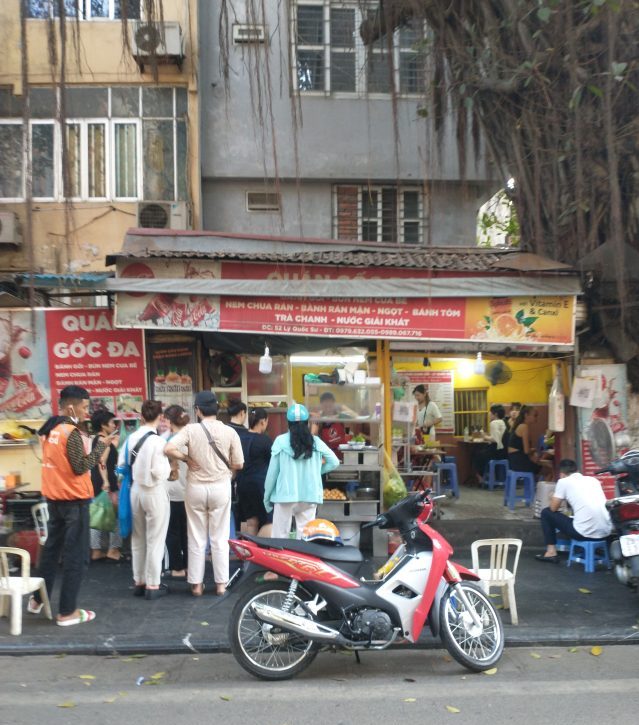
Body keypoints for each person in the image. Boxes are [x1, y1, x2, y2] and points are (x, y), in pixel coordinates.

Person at [29, 385, 115, 626]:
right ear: (71, 407)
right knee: (76, 557)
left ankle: (37, 600)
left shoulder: (50, 428)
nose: (87, 412)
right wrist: (101, 445)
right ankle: (67, 612)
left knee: (51, 553)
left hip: (54, 499)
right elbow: (80, 466)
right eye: (85, 407)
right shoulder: (70, 432)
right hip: (74, 502)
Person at [165, 391, 244, 597]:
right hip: (220, 487)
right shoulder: (229, 432)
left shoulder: (191, 430)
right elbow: (239, 463)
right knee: (219, 537)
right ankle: (220, 584)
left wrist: (185, 459)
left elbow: (168, 448)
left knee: (197, 536)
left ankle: (197, 585)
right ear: (217, 409)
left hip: (196, 489)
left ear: (198, 410)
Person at [119, 400, 171, 600]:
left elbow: (121, 464)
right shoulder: (158, 442)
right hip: (154, 492)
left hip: (135, 491)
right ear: (160, 418)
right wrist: (170, 468)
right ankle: (153, 584)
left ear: (141, 416)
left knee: (138, 538)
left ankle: (138, 581)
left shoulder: (131, 438)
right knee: (155, 539)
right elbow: (159, 471)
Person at [264, 403, 340, 539]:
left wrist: (267, 498)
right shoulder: (316, 442)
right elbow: (334, 462)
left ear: (288, 423)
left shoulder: (280, 442)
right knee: (305, 538)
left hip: (284, 496)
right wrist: (318, 471)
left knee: (279, 537)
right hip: (309, 496)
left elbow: (272, 474)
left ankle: (281, 560)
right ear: (307, 423)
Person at [536, 459, 612, 563]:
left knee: (546, 513)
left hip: (583, 533)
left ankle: (551, 552)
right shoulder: (592, 480)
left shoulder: (563, 482)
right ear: (577, 470)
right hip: (605, 531)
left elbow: (553, 508)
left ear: (562, 474)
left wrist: (552, 496)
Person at [89, 409, 121, 562]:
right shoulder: (104, 440)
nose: (114, 425)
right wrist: (107, 482)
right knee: (114, 516)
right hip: (106, 484)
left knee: (98, 515)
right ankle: (113, 550)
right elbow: (102, 461)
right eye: (111, 422)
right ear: (103, 425)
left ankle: (96, 551)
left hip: (96, 483)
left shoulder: (95, 439)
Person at [235, 407, 273, 536]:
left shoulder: (239, 438)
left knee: (251, 521)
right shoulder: (265, 440)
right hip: (260, 486)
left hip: (242, 484)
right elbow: (273, 464)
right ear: (262, 421)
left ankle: (249, 553)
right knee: (270, 521)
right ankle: (260, 552)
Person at [163, 404, 190, 579]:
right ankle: (190, 566)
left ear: (169, 421)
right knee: (189, 533)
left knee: (172, 531)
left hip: (170, 492)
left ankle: (177, 567)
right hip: (190, 492)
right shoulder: (192, 438)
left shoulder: (167, 442)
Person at [475, 404, 507, 484]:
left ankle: (481, 478)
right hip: (503, 451)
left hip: (496, 451)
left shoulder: (494, 423)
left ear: (495, 414)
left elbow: (495, 439)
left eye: (490, 412)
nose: (489, 414)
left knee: (476, 456)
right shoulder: (503, 422)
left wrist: (484, 436)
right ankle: (490, 477)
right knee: (481, 454)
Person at [507, 404, 542, 476]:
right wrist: (534, 450)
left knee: (538, 461)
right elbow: (526, 451)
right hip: (518, 462)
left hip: (514, 461)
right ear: (526, 415)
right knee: (546, 468)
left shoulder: (520, 425)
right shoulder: (524, 427)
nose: (536, 418)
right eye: (535, 415)